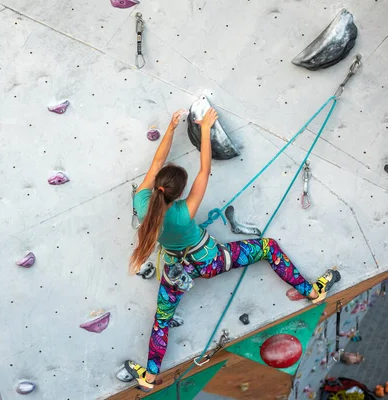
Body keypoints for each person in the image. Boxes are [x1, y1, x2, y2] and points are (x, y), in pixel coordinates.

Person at [123, 108, 340, 392]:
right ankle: (312, 292)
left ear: (158, 187)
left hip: (176, 271)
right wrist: (205, 128)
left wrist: (171, 128)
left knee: (162, 320)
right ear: (178, 194)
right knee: (267, 248)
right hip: (212, 260)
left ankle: (149, 377)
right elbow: (205, 169)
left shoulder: (142, 202)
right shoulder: (184, 211)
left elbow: (156, 162)